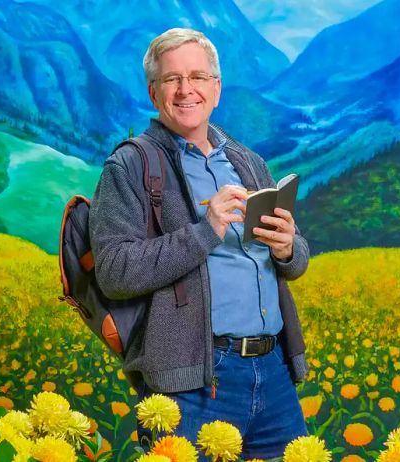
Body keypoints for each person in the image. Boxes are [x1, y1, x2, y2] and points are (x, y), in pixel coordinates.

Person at [89, 27, 310, 460]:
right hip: (193, 379)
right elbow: (114, 271)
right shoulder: (131, 165)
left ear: (217, 88)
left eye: (197, 77)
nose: (186, 89)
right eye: (172, 80)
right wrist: (205, 229)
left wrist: (288, 249)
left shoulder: (248, 162)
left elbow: (296, 258)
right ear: (154, 93)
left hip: (274, 370)